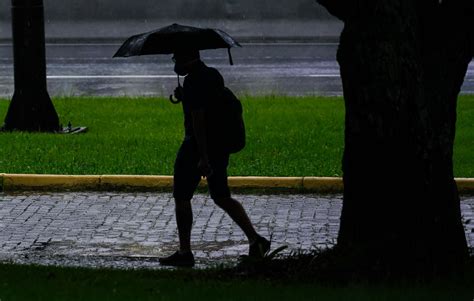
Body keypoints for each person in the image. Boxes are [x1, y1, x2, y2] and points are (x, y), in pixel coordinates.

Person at [159, 50, 270, 267]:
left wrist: (203, 157)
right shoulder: (212, 74)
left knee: (181, 196)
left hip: (196, 148)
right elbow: (210, 105)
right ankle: (256, 240)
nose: (174, 63)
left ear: (186, 58)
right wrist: (185, 98)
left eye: (176, 58)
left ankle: (184, 252)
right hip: (220, 146)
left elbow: (199, 121)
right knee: (221, 196)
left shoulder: (193, 82)